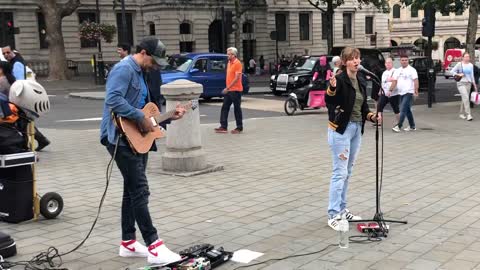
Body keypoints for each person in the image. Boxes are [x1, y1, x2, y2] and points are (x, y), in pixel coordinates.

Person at [100, 37, 186, 265]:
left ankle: (128, 243)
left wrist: (168, 118)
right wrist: (139, 116)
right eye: (154, 61)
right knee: (140, 189)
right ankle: (154, 246)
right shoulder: (124, 69)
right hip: (119, 138)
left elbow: (146, 114)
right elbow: (113, 100)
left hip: (136, 139)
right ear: (144, 52)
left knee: (131, 190)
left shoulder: (141, 73)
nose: (156, 66)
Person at [325, 47, 378, 231]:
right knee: (339, 172)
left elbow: (362, 106)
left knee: (348, 171)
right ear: (345, 61)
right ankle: (333, 214)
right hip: (341, 129)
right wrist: (331, 88)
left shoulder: (361, 80)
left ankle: (342, 208)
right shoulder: (339, 80)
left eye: (358, 58)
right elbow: (329, 101)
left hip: (356, 128)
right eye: (353, 59)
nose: (357, 61)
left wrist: (371, 116)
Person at [1, 47, 50, 150]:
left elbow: (20, 82)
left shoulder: (16, 64)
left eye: (7, 52)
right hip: (16, 100)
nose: (6, 55)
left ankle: (28, 145)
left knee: (22, 124)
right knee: (24, 123)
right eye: (4, 53)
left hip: (17, 100)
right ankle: (41, 140)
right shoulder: (12, 64)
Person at [214, 47, 244, 134]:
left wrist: (227, 88)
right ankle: (223, 126)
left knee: (237, 109)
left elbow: (236, 78)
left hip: (236, 90)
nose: (228, 55)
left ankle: (239, 127)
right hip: (229, 90)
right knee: (225, 107)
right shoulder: (229, 63)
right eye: (227, 53)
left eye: (229, 54)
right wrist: (228, 88)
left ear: (234, 55)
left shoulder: (237, 63)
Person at [392, 55, 418, 132]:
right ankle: (412, 126)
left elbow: (415, 80)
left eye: (405, 60)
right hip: (401, 93)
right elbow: (394, 81)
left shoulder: (412, 70)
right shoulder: (398, 70)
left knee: (402, 109)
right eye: (402, 60)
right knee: (407, 110)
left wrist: (416, 91)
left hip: (409, 92)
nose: (404, 61)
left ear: (408, 61)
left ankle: (399, 126)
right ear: (400, 61)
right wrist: (390, 90)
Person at [451, 52, 478, 121]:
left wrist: (474, 85)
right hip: (461, 83)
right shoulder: (459, 64)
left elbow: (472, 76)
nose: (467, 58)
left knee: (464, 98)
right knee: (466, 97)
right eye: (466, 57)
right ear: (462, 57)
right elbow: (452, 71)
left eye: (468, 57)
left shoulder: (471, 65)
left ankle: (461, 113)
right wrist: (459, 74)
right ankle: (468, 114)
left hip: (468, 83)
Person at [377, 57, 400, 127]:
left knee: (396, 109)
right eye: (386, 63)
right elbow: (382, 83)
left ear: (392, 63)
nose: (388, 64)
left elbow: (395, 82)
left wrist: (390, 91)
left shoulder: (395, 71)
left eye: (389, 63)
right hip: (384, 93)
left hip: (393, 94)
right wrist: (380, 90)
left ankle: (398, 122)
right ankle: (379, 121)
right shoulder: (384, 73)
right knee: (379, 106)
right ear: (385, 64)